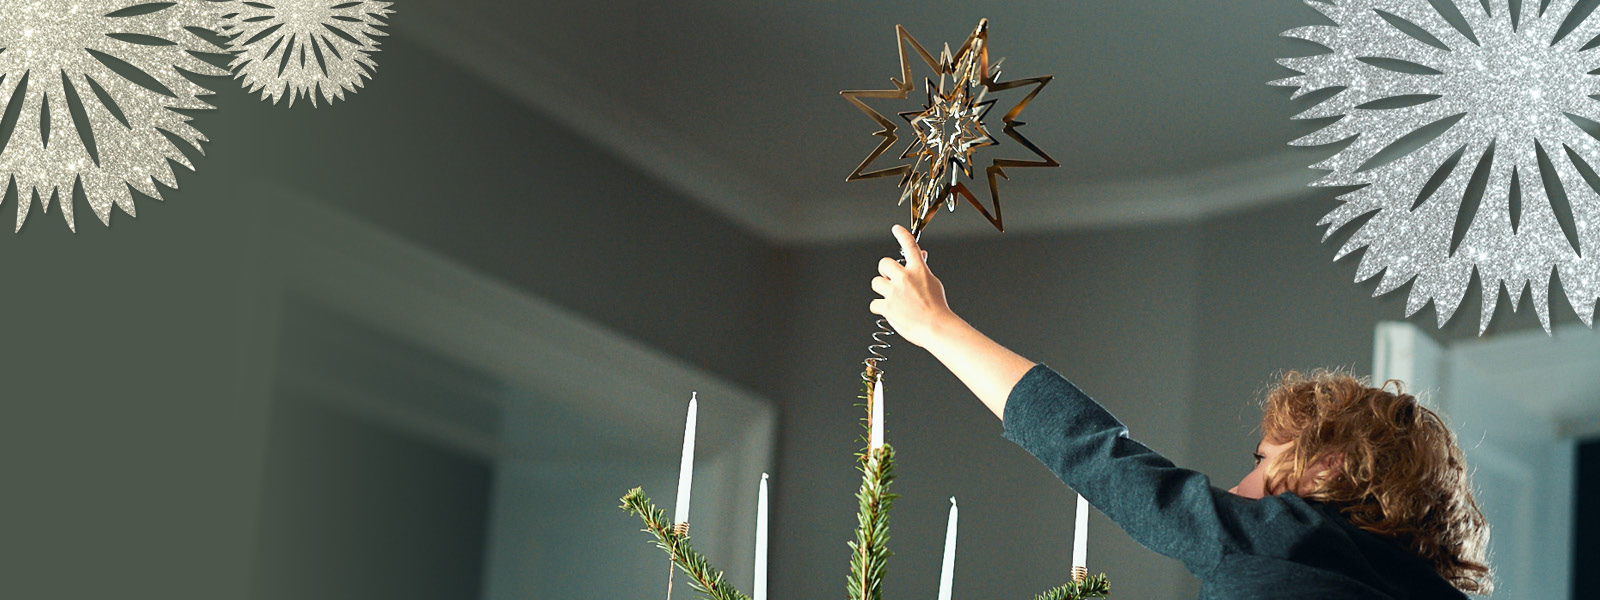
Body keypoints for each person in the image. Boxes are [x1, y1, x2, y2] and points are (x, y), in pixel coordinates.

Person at [868, 225, 1492, 599]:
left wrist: (938, 328)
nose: (1235, 487)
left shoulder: (1284, 539)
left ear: (1326, 469)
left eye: (1262, 462)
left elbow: (1096, 453)